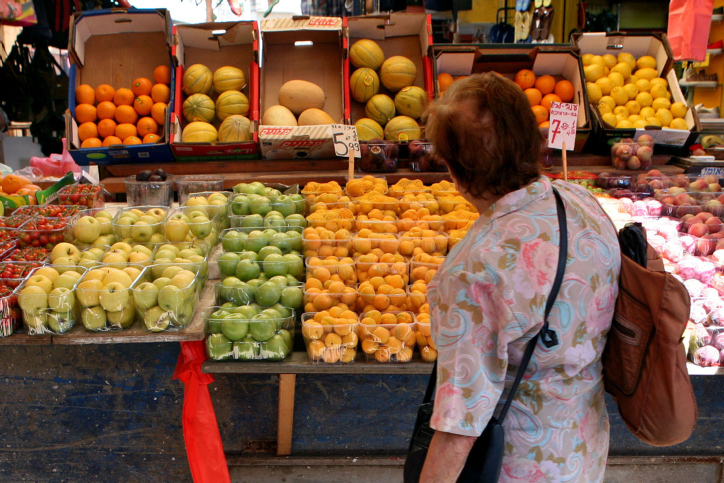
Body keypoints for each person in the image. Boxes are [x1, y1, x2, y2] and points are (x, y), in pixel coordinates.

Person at [418, 73, 621, 482]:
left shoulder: (474, 270)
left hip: (517, 464)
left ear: (453, 169)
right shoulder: (581, 202)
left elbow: (460, 423)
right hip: (582, 447)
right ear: (532, 139)